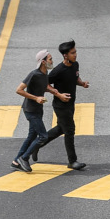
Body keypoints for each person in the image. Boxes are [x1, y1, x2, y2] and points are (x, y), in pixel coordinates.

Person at [32, 39, 88, 170]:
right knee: (70, 130)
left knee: (61, 128)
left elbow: (75, 78)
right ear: (65, 55)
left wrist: (82, 83)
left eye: (75, 52)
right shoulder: (58, 70)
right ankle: (72, 161)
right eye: (73, 53)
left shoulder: (75, 65)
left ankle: (37, 145)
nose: (75, 54)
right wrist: (58, 94)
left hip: (70, 104)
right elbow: (44, 84)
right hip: (60, 105)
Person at [11, 50, 68, 173]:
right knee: (43, 136)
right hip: (30, 110)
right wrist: (36, 98)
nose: (52, 61)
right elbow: (19, 90)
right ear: (43, 62)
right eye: (50, 59)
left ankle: (16, 161)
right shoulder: (34, 74)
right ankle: (24, 158)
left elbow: (45, 86)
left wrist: (57, 93)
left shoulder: (44, 73)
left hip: (37, 110)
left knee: (32, 136)